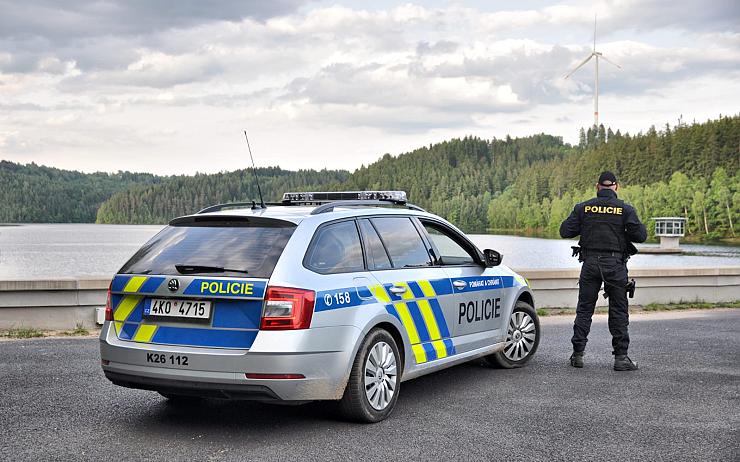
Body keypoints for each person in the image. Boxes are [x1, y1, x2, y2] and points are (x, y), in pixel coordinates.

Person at [559, 171, 647, 371]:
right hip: (615, 265)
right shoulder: (625, 209)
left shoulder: (583, 208)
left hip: (590, 264)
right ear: (616, 186)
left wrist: (587, 224)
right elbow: (641, 235)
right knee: (618, 310)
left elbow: (565, 231)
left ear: (597, 186)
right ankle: (621, 358)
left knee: (584, 309)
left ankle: (577, 355)